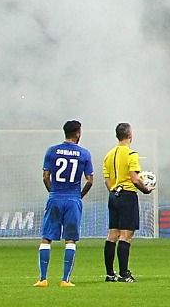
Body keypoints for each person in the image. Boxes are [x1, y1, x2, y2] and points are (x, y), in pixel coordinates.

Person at [36, 120, 94, 287]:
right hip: (73, 199)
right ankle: (65, 280)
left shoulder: (52, 151)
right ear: (77, 133)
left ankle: (43, 279)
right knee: (70, 240)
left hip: (55, 197)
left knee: (46, 238)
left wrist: (52, 193)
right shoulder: (84, 153)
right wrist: (78, 196)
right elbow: (90, 180)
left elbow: (45, 176)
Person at [100, 122, 150, 282]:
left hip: (113, 195)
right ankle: (123, 274)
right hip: (128, 195)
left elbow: (107, 180)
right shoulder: (131, 154)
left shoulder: (108, 155)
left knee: (112, 234)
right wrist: (146, 189)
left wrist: (114, 192)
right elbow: (135, 179)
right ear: (130, 135)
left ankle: (109, 274)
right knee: (126, 235)